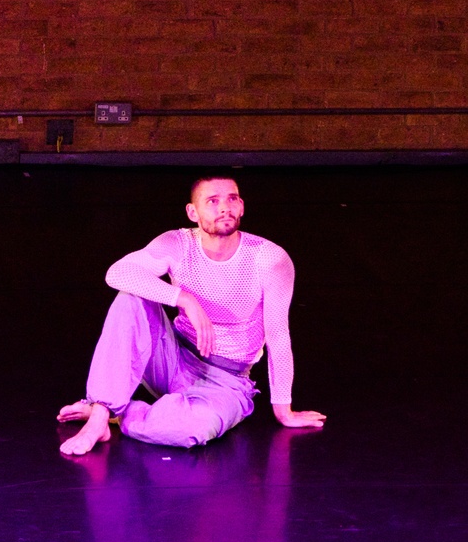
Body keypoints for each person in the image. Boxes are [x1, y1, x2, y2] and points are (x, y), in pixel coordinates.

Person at [57, 174, 326, 454]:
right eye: (213, 201)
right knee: (130, 298)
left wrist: (284, 411)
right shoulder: (178, 243)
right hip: (171, 358)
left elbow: (278, 336)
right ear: (192, 212)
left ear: (242, 206)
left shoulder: (268, 258)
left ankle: (120, 413)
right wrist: (183, 299)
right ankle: (100, 413)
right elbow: (117, 273)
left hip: (226, 380)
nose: (225, 208)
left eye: (232, 199)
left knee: (191, 427)